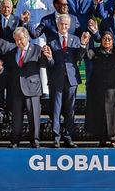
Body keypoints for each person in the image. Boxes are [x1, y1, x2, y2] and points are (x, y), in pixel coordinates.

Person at [42, 14, 88, 148]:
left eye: (66, 24)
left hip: (71, 79)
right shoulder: (50, 41)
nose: (64, 26)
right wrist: (49, 58)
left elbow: (79, 58)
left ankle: (68, 137)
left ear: (69, 26)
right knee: (56, 110)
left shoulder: (75, 39)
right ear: (57, 25)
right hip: (56, 79)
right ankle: (56, 138)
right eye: (61, 24)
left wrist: (83, 44)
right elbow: (48, 64)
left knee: (70, 111)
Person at [5, 27, 45, 148]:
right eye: (16, 40)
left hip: (33, 89)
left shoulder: (37, 50)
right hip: (16, 89)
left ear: (27, 37)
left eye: (20, 39)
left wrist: (48, 57)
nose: (18, 42)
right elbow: (9, 71)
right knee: (16, 117)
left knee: (34, 117)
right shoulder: (12, 52)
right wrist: (1, 69)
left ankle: (34, 140)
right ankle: (15, 140)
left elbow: (45, 65)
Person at [86, 31, 115, 147]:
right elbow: (88, 55)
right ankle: (102, 138)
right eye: (104, 38)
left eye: (109, 39)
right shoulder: (96, 52)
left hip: (113, 89)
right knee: (100, 114)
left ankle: (113, 139)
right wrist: (85, 42)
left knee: (114, 115)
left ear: (113, 41)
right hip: (98, 88)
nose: (107, 41)